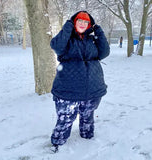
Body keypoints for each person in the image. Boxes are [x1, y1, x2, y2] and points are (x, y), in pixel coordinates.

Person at [49, 11, 110, 153]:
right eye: (79, 21)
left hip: (92, 88)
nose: (82, 24)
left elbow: (104, 52)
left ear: (90, 25)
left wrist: (98, 31)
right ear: (74, 23)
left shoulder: (92, 40)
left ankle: (87, 138)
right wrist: (68, 27)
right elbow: (56, 46)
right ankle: (58, 143)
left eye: (86, 22)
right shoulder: (67, 40)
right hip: (68, 89)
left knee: (87, 115)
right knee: (65, 118)